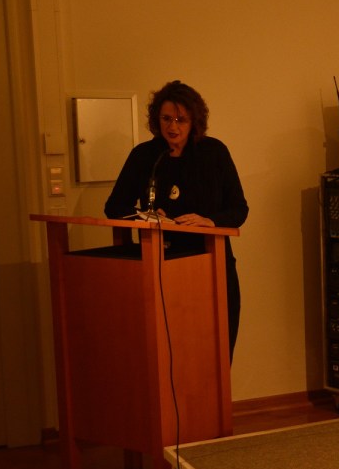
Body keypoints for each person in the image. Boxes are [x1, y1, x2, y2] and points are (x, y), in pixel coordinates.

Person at [105, 80, 249, 360]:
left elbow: (239, 210)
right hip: (160, 264)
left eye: (181, 120)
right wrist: (146, 217)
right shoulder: (145, 156)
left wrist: (209, 220)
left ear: (194, 121)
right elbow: (114, 207)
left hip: (210, 264)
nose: (173, 127)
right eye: (166, 118)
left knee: (212, 353)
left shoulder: (214, 153)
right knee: (167, 355)